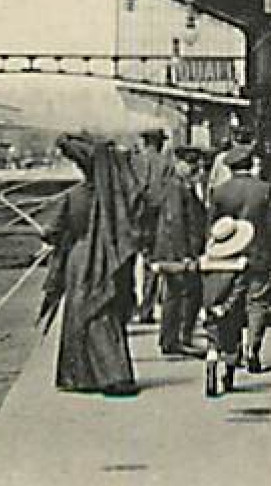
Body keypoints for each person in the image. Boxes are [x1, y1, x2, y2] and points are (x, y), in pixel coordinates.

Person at [40, 133, 144, 396]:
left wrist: (50, 234)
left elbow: (53, 231)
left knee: (80, 315)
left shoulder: (73, 197)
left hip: (79, 260)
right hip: (109, 262)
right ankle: (115, 372)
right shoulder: (116, 199)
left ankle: (83, 377)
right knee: (106, 314)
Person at [203, 142, 271, 375]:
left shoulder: (220, 191)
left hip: (229, 256)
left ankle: (232, 350)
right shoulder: (264, 189)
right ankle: (253, 349)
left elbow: (212, 227)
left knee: (230, 304)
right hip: (259, 254)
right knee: (257, 303)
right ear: (250, 164)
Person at [152, 146, 208, 358]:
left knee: (175, 294)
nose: (195, 170)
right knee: (186, 293)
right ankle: (180, 338)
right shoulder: (176, 187)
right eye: (192, 165)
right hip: (177, 251)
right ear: (180, 163)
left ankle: (171, 339)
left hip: (177, 249)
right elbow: (175, 221)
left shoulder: (180, 185)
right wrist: (184, 254)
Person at [131, 127, 173, 325]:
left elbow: (133, 189)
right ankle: (147, 308)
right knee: (152, 264)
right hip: (158, 218)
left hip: (136, 217)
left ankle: (130, 307)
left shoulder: (136, 161)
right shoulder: (166, 163)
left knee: (129, 261)